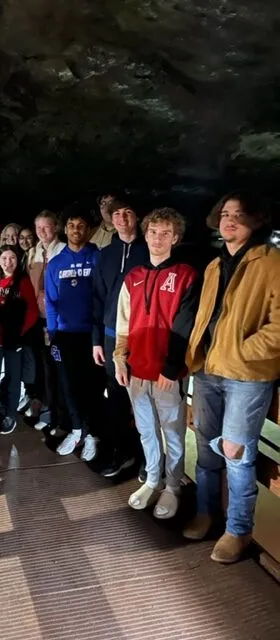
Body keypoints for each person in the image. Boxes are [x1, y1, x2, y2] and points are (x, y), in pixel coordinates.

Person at [184, 192, 280, 563]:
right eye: (225, 213)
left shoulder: (271, 262)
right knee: (207, 448)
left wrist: (242, 351)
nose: (230, 220)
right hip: (208, 369)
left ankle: (238, 530)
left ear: (256, 220)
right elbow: (205, 317)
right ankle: (207, 512)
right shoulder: (214, 265)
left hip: (247, 374)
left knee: (236, 453)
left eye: (239, 214)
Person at [113, 208, 199, 519]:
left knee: (173, 433)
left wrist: (171, 367)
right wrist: (119, 359)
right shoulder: (133, 277)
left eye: (165, 233)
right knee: (146, 430)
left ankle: (173, 486)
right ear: (145, 234)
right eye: (152, 232)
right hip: (137, 369)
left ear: (175, 238)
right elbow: (123, 323)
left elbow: (186, 324)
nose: (157, 238)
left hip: (167, 373)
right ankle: (152, 479)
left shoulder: (187, 275)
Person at [92, 197, 149, 477]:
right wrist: (96, 339)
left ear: (137, 216)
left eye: (128, 212)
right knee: (115, 396)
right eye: (117, 214)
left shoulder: (149, 250)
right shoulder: (105, 254)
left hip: (142, 336)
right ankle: (119, 451)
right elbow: (97, 298)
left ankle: (147, 458)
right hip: (111, 335)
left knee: (144, 399)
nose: (122, 218)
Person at [45, 204, 101, 461]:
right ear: (65, 229)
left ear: (88, 230)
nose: (76, 230)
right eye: (71, 226)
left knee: (92, 387)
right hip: (65, 335)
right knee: (68, 385)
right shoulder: (56, 264)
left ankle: (91, 434)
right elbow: (51, 301)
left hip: (92, 335)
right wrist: (53, 332)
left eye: (81, 226)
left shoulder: (97, 258)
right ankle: (76, 429)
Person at [0, 245, 39, 435]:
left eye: (12, 258)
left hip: (14, 338)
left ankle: (10, 415)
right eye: (4, 258)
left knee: (13, 378)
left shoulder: (23, 282)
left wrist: (18, 333)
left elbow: (32, 310)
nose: (8, 262)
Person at [26, 211, 66, 428]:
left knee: (56, 368)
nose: (42, 231)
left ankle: (59, 415)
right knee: (43, 368)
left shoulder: (63, 251)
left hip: (58, 320)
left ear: (55, 227)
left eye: (46, 226)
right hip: (37, 318)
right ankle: (48, 409)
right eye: (38, 227)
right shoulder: (34, 253)